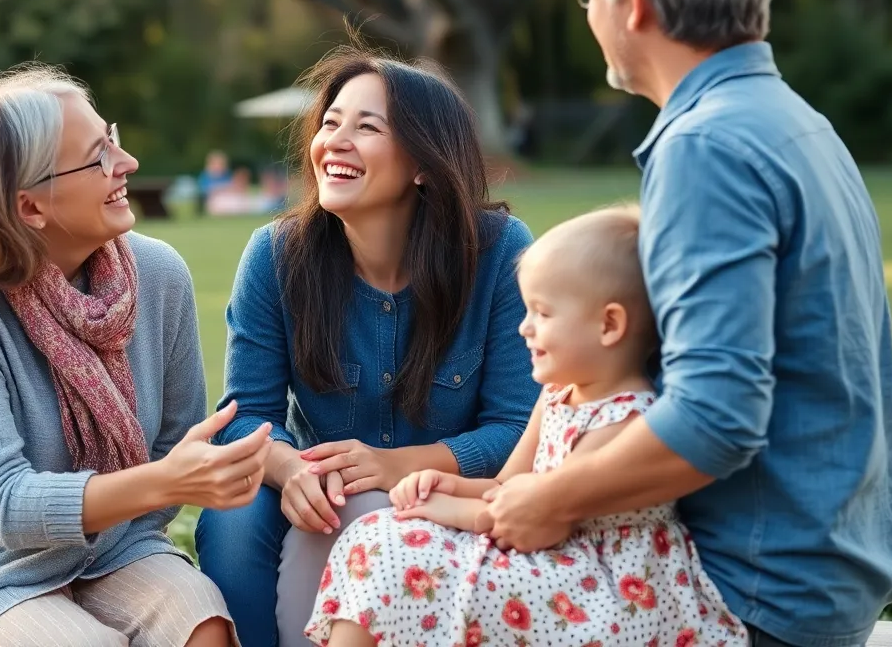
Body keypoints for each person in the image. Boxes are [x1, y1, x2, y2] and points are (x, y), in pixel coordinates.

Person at [478, 0, 892, 647]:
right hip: (823, 574)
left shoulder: (706, 146)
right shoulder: (793, 120)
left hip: (749, 592)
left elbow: (716, 417)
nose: (588, 7)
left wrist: (551, 497)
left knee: (396, 564)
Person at [0, 64, 273, 647]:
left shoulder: (158, 275)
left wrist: (164, 483)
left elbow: (171, 443)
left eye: (112, 138)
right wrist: (163, 482)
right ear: (30, 208)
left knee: (203, 624)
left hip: (111, 548)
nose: (126, 162)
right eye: (97, 157)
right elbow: (0, 502)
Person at [195, 44, 541, 647]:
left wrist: (400, 465)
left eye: (367, 127)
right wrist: (290, 468)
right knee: (233, 516)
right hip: (319, 484)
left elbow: (518, 427)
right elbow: (245, 417)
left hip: (452, 494)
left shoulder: (498, 252)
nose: (336, 141)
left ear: (423, 162)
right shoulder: (276, 255)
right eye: (330, 123)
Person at [306, 206, 748, 647]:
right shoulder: (558, 393)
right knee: (379, 537)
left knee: (390, 551)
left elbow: (541, 518)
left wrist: (441, 509)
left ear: (609, 325)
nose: (524, 329)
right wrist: (447, 484)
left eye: (543, 314)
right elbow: (507, 486)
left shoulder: (625, 418)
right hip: (548, 559)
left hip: (603, 594)